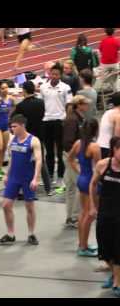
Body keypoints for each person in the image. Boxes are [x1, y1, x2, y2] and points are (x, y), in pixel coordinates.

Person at [0, 114, 42, 245]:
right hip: (14, 177)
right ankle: (10, 234)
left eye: (14, 126)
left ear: (22, 126)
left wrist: (35, 178)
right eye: (11, 127)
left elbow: (39, 161)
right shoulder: (12, 140)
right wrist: (6, 174)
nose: (12, 129)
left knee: (29, 207)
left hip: (27, 178)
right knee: (6, 205)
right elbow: (12, 159)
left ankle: (31, 234)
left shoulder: (34, 141)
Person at [89, 136, 120, 297]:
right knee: (104, 247)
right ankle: (115, 274)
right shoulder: (103, 165)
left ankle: (117, 282)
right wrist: (93, 206)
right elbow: (93, 184)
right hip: (105, 212)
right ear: (114, 150)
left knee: (118, 247)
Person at [11, 80, 51, 195]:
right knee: (41, 162)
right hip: (39, 136)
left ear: (23, 91)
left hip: (26, 138)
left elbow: (14, 119)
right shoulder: (41, 103)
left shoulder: (20, 106)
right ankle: (48, 189)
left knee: (22, 163)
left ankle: (21, 189)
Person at [68, 118, 101, 257]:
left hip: (82, 179)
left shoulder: (78, 143)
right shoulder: (94, 147)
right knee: (89, 215)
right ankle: (83, 247)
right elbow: (99, 168)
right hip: (90, 182)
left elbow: (70, 159)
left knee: (83, 213)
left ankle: (82, 244)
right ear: (95, 130)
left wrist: (79, 171)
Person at [40, 62, 73, 188]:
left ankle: (60, 177)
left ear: (60, 75)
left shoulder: (65, 87)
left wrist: (67, 120)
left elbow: (69, 105)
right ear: (49, 74)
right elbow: (41, 103)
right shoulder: (43, 87)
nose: (54, 76)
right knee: (49, 152)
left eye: (56, 74)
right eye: (52, 74)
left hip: (60, 121)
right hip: (47, 121)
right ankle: (49, 176)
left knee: (60, 152)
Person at [62, 95, 90, 228]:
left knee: (71, 187)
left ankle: (70, 216)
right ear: (78, 105)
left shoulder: (78, 118)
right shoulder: (73, 120)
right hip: (72, 157)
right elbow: (68, 142)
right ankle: (74, 217)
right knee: (80, 186)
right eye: (85, 103)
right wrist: (75, 156)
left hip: (71, 156)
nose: (88, 106)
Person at [97, 92, 120, 159]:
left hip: (100, 145)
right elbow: (117, 138)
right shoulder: (118, 115)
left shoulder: (107, 112)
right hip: (109, 148)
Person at [98, 28, 120, 93]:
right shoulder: (116, 41)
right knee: (116, 78)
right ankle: (117, 91)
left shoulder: (103, 41)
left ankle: (105, 91)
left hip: (104, 64)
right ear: (113, 32)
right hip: (114, 63)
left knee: (103, 80)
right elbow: (118, 48)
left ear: (106, 32)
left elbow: (100, 50)